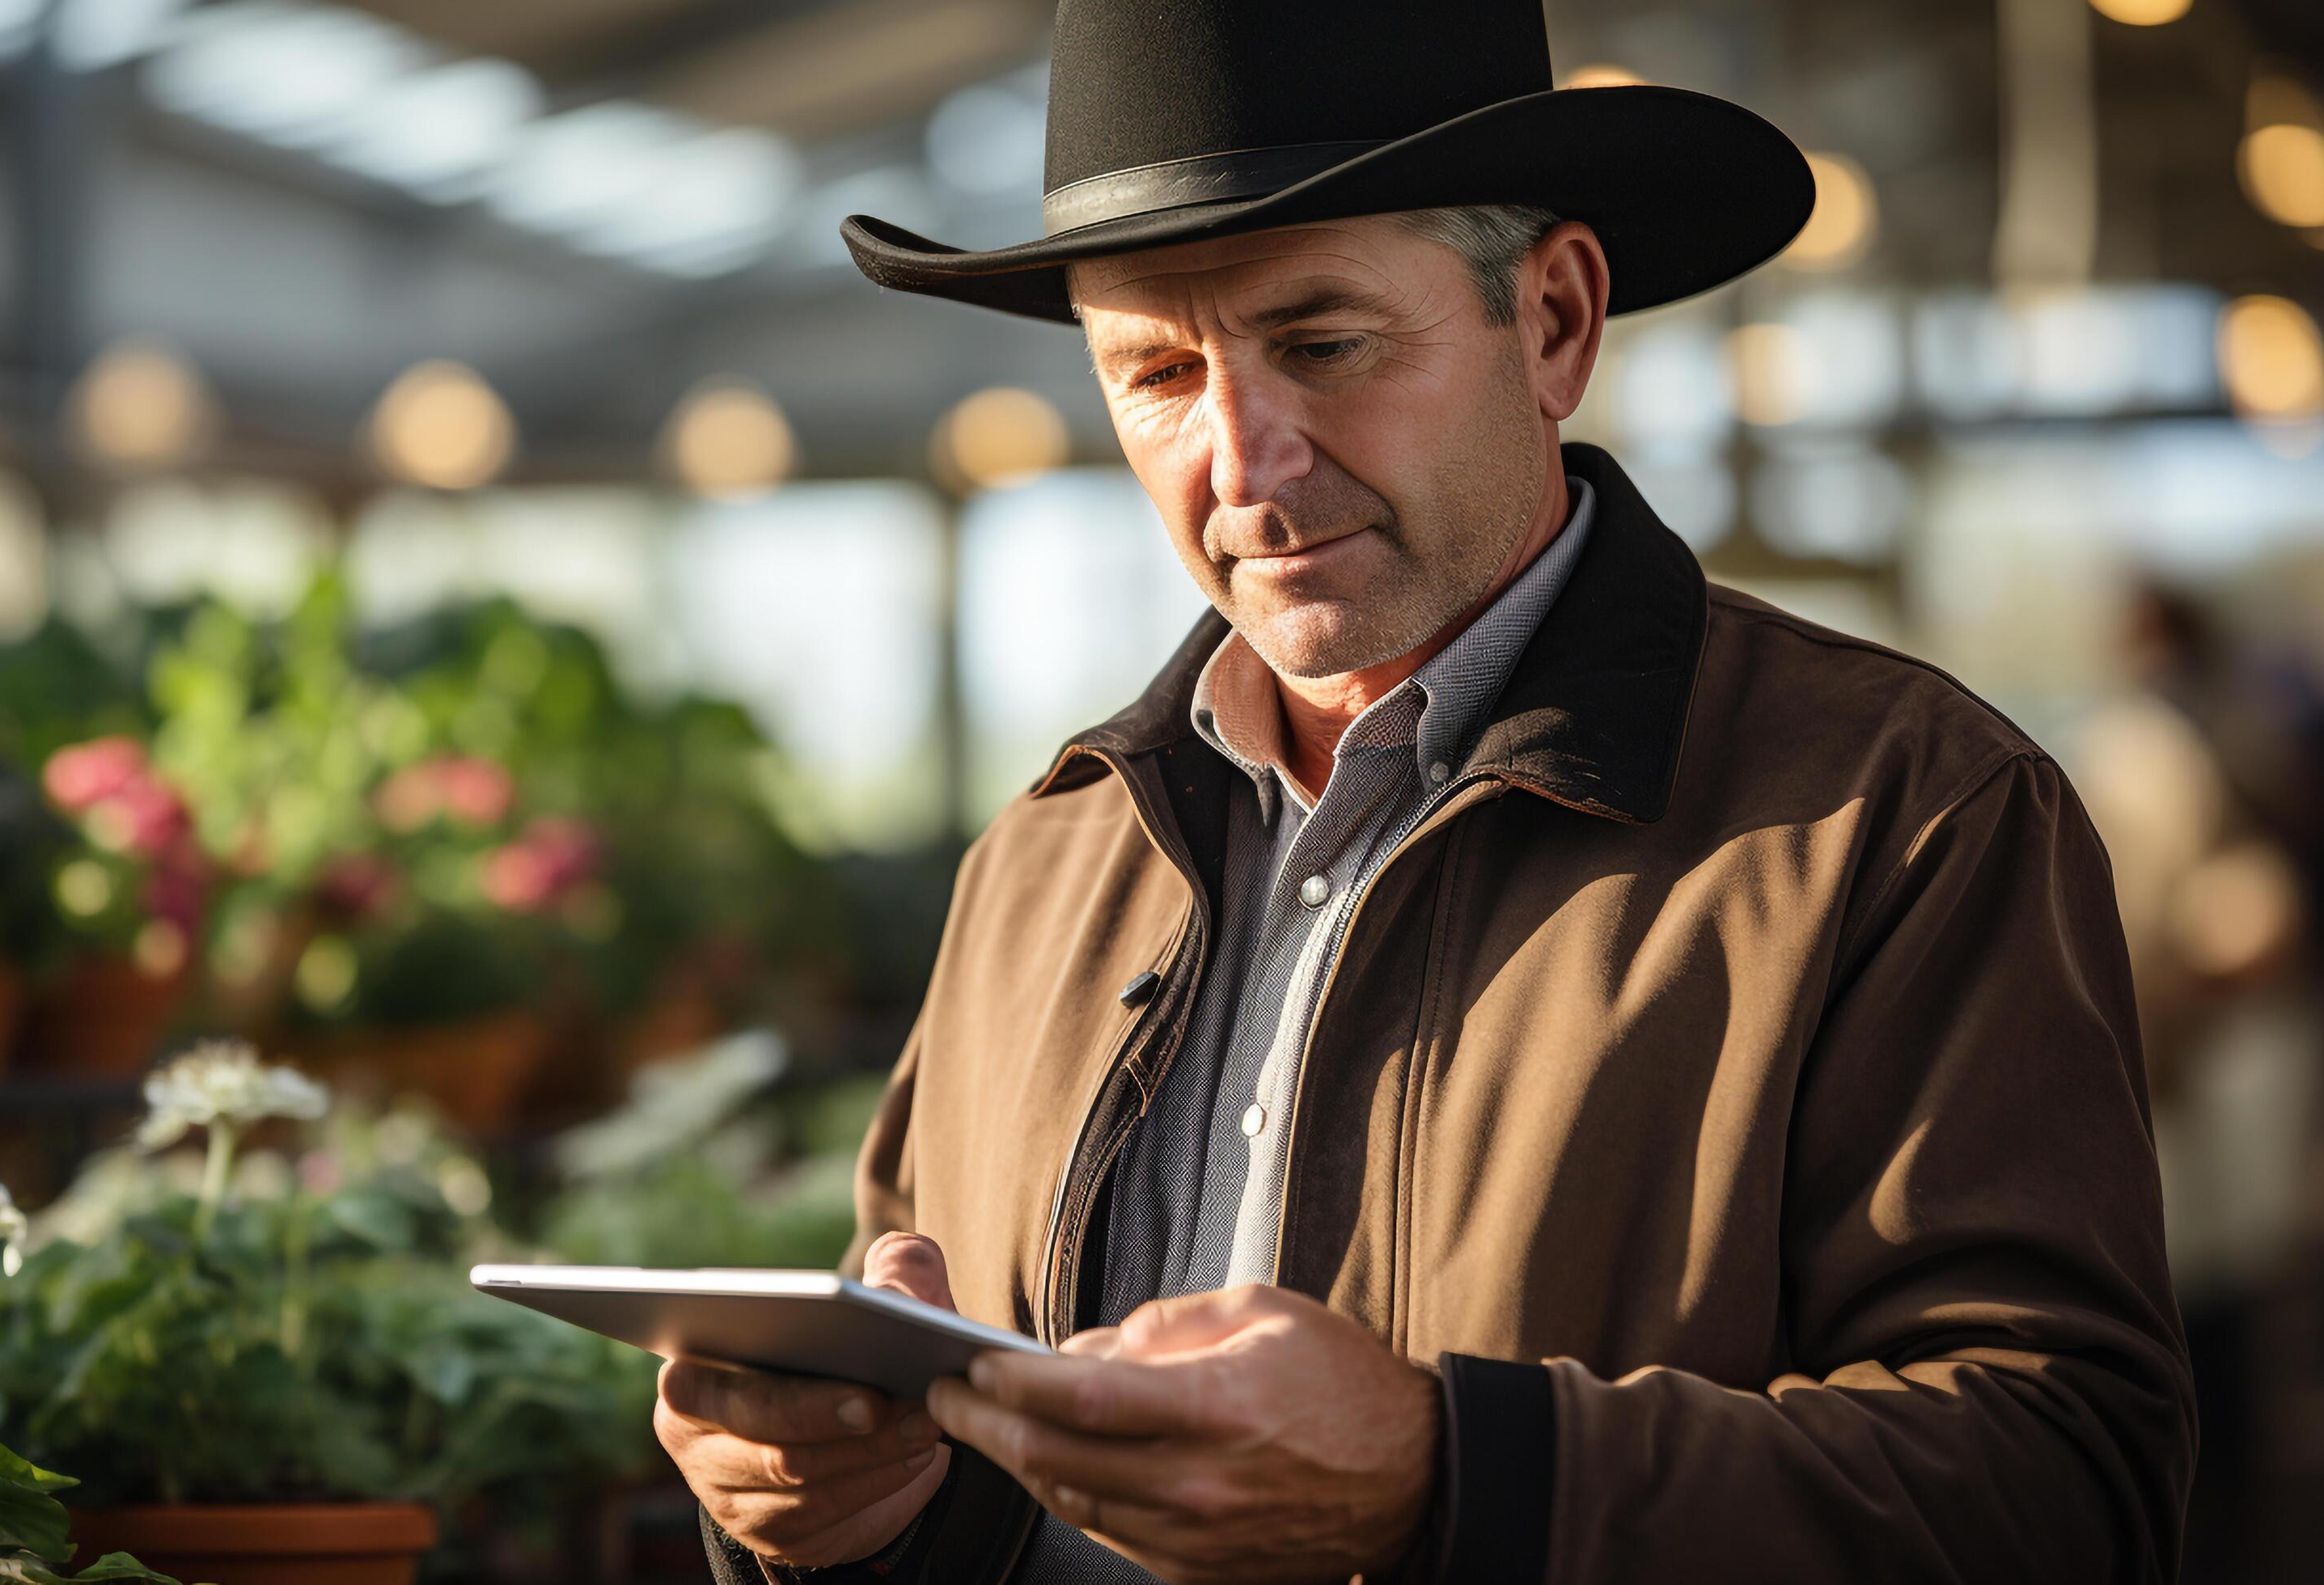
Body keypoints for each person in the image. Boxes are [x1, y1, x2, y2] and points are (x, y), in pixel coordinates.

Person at [657, 2, 2195, 1580]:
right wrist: (840, 1510)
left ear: (1552, 321)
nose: (1242, 461)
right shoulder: (1039, 864)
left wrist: (1452, 1472)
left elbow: (2063, 1480)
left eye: (1318, 343)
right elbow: (945, 1454)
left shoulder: (1900, 815)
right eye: (1156, 372)